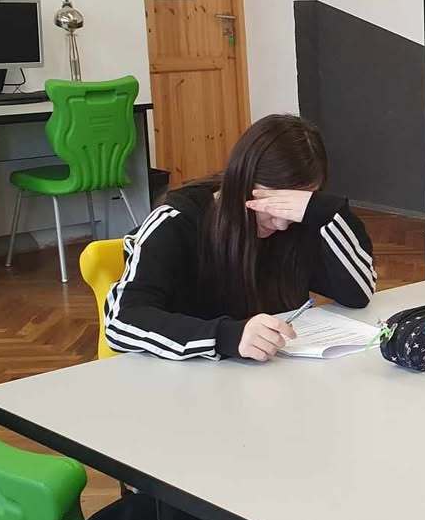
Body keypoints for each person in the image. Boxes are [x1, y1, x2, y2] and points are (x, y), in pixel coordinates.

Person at [104, 114, 376, 362]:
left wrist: (328, 212)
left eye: (294, 206)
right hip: (189, 382)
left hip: (273, 378)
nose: (282, 223)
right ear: (242, 181)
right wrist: (227, 336)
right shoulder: (177, 222)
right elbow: (121, 322)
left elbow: (357, 294)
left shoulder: (301, 221)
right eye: (272, 203)